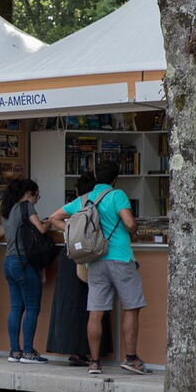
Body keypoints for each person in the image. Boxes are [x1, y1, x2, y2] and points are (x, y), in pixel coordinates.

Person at [49, 161, 146, 375]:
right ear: (115, 179)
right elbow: (129, 223)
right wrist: (135, 230)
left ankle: (94, 362)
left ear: (95, 177)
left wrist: (73, 233)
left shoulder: (84, 199)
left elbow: (54, 218)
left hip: (94, 260)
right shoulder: (117, 195)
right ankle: (131, 358)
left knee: (96, 311)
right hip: (120, 257)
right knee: (131, 306)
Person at [46, 173, 113, 365]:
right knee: (91, 304)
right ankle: (88, 351)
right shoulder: (98, 206)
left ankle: (72, 348)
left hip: (70, 256)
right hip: (91, 257)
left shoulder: (75, 205)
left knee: (71, 304)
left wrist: (69, 229)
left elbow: (53, 219)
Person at [1, 178, 50, 364]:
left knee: (16, 308)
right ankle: (28, 351)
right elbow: (41, 229)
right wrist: (51, 221)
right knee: (32, 308)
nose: (37, 199)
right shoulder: (26, 207)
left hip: (9, 262)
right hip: (23, 263)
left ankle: (15, 351)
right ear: (29, 193)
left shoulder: (7, 209)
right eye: (37, 195)